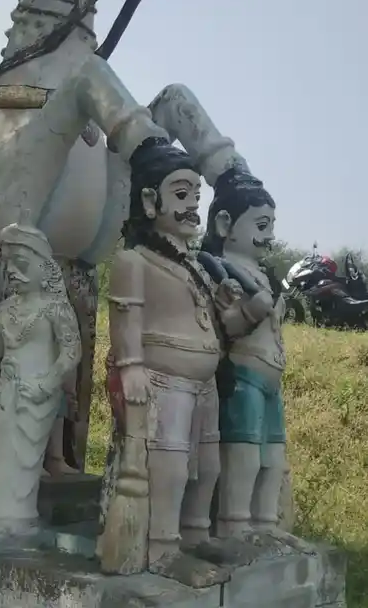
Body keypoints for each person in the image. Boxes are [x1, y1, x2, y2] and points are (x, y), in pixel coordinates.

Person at [98, 137, 273, 582]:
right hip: (163, 380)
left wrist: (245, 309)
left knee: (207, 467)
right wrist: (131, 366)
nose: (193, 205)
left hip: (204, 382)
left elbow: (226, 326)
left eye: (196, 194)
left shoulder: (195, 266)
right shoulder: (134, 261)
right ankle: (161, 548)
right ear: (149, 201)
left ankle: (195, 536)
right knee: (171, 467)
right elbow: (125, 318)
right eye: (181, 194)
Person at [0, 223, 82, 532]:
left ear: (43, 267)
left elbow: (71, 351)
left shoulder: (55, 307)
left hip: (37, 392)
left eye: (21, 264)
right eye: (8, 264)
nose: (12, 271)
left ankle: (18, 517)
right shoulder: (6, 309)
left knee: (25, 457)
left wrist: (46, 383)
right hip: (8, 390)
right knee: (1, 453)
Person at [201, 168, 288, 539]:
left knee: (273, 456)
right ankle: (235, 523)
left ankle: (266, 524)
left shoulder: (262, 274)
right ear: (225, 224)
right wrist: (254, 310)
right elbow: (227, 325)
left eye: (271, 226)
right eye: (261, 226)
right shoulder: (219, 268)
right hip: (243, 376)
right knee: (244, 453)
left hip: (271, 380)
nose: (269, 236)